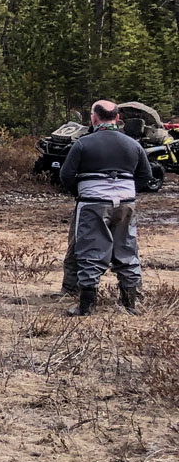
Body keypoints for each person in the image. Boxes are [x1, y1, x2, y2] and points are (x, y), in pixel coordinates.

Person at [59, 100, 154, 316]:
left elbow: (65, 175)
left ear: (94, 117)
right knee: (127, 249)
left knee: (90, 251)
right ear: (117, 118)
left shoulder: (83, 144)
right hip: (126, 203)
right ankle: (131, 304)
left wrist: (81, 193)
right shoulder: (133, 144)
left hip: (93, 203)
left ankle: (87, 306)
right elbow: (146, 175)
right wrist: (128, 193)